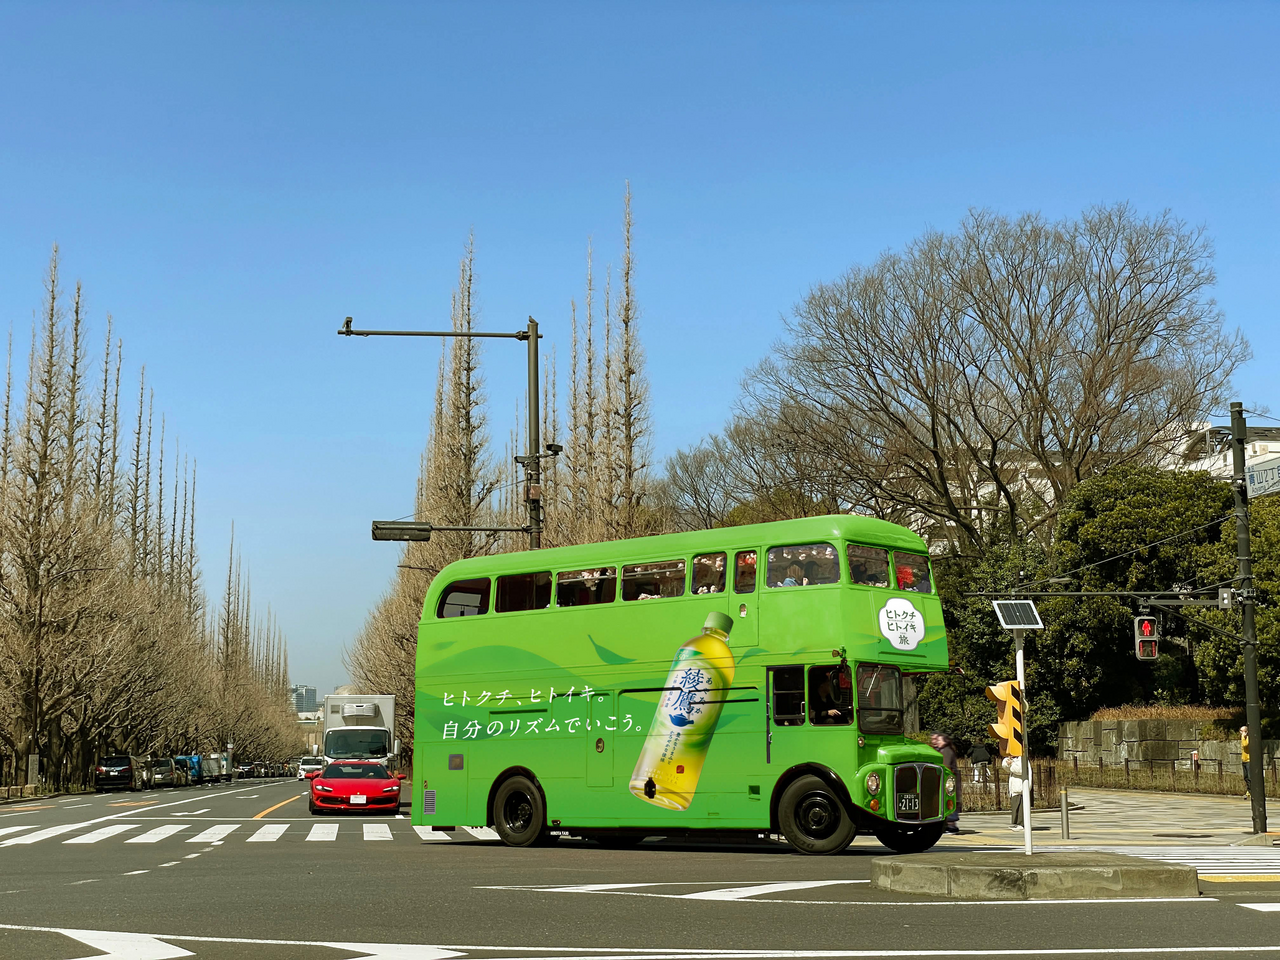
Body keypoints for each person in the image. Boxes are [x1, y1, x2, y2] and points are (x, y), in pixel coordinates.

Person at [930, 732, 961, 834]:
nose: (937, 742)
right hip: (948, 781)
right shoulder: (942, 750)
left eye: (939, 740)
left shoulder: (946, 751)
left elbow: (946, 766)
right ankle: (949, 824)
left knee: (949, 800)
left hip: (948, 781)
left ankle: (951, 825)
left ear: (945, 741)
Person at [1241, 725, 1251, 798]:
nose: (1241, 733)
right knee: (1246, 777)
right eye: (1240, 731)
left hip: (1249, 760)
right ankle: (1248, 790)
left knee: (1250, 777)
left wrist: (1243, 737)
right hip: (1244, 760)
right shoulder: (1243, 738)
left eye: (1243, 731)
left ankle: (1250, 791)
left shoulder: (1247, 738)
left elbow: (1245, 745)